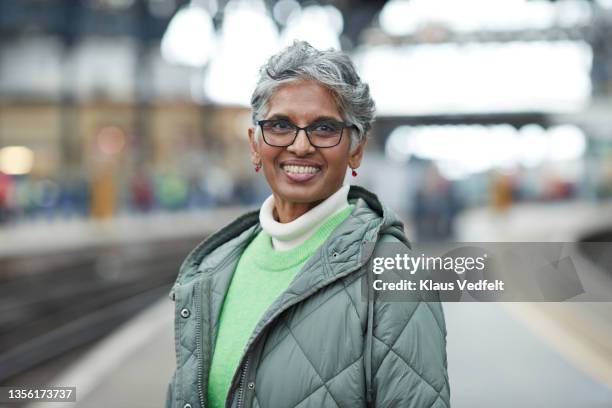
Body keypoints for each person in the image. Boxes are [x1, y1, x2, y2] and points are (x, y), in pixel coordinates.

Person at [165, 41, 449, 408]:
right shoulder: (215, 269)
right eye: (281, 125)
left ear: (356, 149)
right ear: (255, 144)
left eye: (325, 128)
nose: (300, 146)